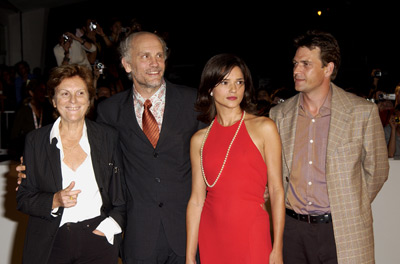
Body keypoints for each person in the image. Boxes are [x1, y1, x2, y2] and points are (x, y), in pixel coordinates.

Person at [269, 30, 389, 263]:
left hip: (342, 228)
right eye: (295, 64)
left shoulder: (361, 113)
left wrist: (349, 202)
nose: (296, 71)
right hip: (292, 230)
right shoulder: (278, 115)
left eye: (305, 64)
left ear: (328, 69)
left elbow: (377, 171)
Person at [96, 31, 204, 263]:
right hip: (139, 236)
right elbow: (97, 164)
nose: (155, 63)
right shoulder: (109, 111)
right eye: (145, 56)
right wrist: (38, 169)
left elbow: (216, 155)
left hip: (189, 233)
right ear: (127, 64)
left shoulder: (194, 102)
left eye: (159, 55)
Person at [16, 64, 126, 264]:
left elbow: (121, 194)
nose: (73, 100)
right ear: (53, 100)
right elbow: (23, 198)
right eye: (65, 93)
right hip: (52, 241)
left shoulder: (108, 137)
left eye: (80, 93)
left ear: (89, 99)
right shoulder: (35, 141)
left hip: (99, 240)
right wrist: (54, 200)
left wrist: (109, 228)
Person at [186, 53, 284, 264]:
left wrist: (277, 247)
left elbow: (276, 190)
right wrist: (189, 255)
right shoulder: (199, 140)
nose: (234, 89)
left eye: (239, 82)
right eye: (225, 82)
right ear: (210, 88)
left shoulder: (264, 128)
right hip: (211, 234)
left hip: (252, 233)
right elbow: (196, 200)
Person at [10, 78, 54, 161]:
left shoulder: (46, 110)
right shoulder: (23, 110)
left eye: (45, 91)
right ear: (31, 93)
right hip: (27, 152)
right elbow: (14, 135)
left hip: (43, 153)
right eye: (40, 91)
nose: (43, 94)